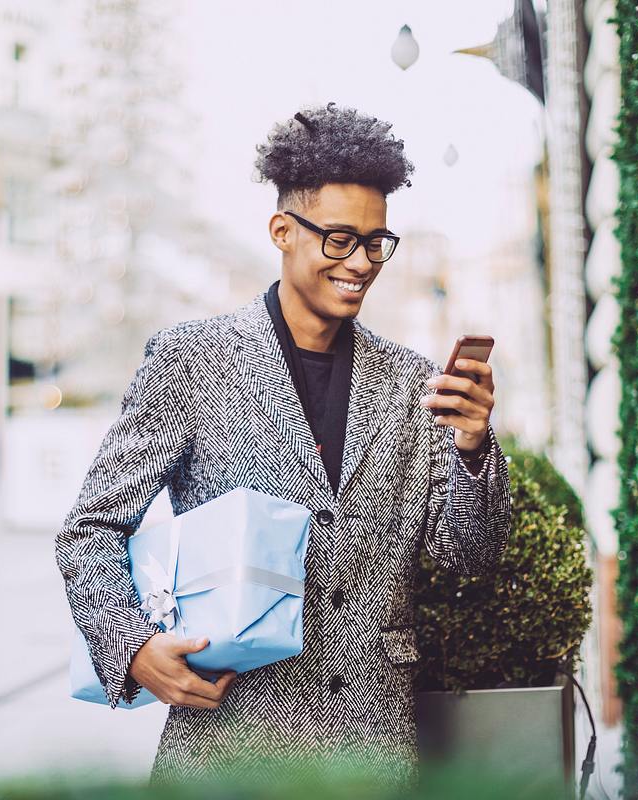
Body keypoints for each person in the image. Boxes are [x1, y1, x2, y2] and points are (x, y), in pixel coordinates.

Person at [55, 104, 511, 786]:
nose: (361, 262)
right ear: (282, 231)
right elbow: (89, 528)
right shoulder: (194, 361)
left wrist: (475, 448)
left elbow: (470, 555)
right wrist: (134, 645)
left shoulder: (416, 383)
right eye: (339, 239)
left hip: (373, 750)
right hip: (229, 746)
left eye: (377, 242)